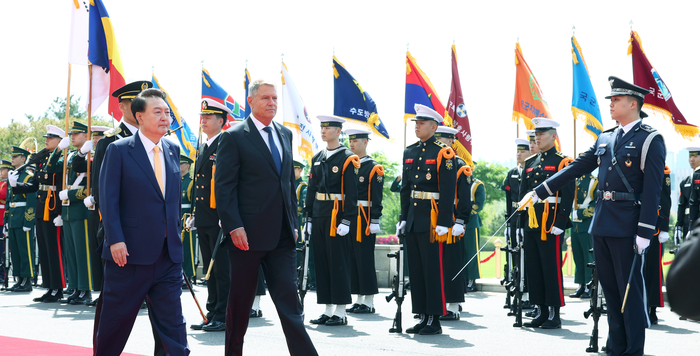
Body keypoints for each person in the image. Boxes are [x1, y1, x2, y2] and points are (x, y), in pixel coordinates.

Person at [523, 77, 665, 355]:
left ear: (633, 103)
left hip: (629, 225)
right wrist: (541, 190)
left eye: (616, 100)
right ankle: (616, 345)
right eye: (611, 100)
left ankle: (633, 349)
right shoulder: (605, 137)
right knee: (610, 291)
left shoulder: (650, 139)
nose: (611, 104)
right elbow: (576, 167)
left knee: (630, 292)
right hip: (602, 222)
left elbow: (653, 190)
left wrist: (645, 231)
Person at [215, 79, 317, 356]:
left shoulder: (285, 134)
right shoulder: (234, 136)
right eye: (265, 98)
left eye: (274, 99)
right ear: (250, 101)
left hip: (282, 235)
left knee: (290, 304)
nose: (272, 103)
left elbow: (286, 185)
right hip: (246, 237)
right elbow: (224, 188)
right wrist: (234, 226)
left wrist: (293, 224)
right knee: (240, 303)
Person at [95, 88, 189, 356]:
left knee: (173, 326)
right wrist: (115, 239)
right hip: (129, 255)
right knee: (115, 325)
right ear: (139, 116)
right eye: (157, 112)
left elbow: (169, 202)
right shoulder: (119, 150)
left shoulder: (172, 149)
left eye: (167, 112)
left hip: (167, 255)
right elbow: (107, 199)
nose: (164, 117)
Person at [88, 80, 165, 356]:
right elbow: (104, 196)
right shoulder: (111, 142)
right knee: (114, 312)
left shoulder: (163, 143)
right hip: (123, 241)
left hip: (159, 243)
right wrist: (116, 237)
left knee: (165, 317)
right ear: (123, 106)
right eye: (135, 101)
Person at [397, 104, 456, 335]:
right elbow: (405, 188)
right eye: (415, 123)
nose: (417, 127)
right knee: (417, 270)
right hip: (413, 218)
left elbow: (449, 190)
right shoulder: (409, 152)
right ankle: (422, 315)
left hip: (432, 220)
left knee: (432, 269)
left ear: (433, 127)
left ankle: (434, 318)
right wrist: (403, 217)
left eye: (421, 124)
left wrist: (444, 222)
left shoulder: (444, 152)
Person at [518, 118, 575, 330]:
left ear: (554, 136)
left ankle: (553, 312)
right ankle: (540, 310)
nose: (538, 137)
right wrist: (520, 225)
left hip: (551, 223)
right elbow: (523, 195)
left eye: (542, 134)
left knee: (550, 268)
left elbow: (568, 194)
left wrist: (561, 220)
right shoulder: (530, 163)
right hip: (532, 222)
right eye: (536, 134)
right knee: (534, 267)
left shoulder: (563, 162)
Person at [304, 115, 359, 326]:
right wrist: (308, 216)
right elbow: (312, 189)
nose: (323, 131)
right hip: (319, 212)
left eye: (328, 128)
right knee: (322, 263)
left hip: (337, 215)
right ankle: (327, 309)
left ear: (338, 131)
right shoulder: (318, 156)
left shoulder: (347, 157)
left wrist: (347, 220)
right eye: (322, 128)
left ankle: (341, 310)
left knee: (338, 262)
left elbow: (352, 193)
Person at [186, 98, 231, 332]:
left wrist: (227, 214)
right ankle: (211, 312)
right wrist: (195, 212)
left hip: (219, 218)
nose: (202, 120)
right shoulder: (204, 146)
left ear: (221, 121)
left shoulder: (226, 143)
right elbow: (200, 182)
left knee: (221, 269)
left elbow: (229, 183)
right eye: (202, 117)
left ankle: (223, 315)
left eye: (208, 117)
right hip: (204, 217)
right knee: (209, 271)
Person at [11, 125, 66, 302]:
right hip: (42, 208)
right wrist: (16, 185)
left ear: (59, 141)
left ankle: (58, 288)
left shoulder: (59, 159)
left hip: (53, 208)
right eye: (46, 137)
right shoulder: (43, 160)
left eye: (51, 138)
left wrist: (59, 212)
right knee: (44, 250)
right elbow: (34, 185)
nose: (46, 140)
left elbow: (55, 177)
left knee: (54, 249)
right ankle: (49, 287)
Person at [345, 129, 384, 315]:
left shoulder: (373, 167)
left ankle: (368, 300)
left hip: (365, 217)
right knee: (352, 258)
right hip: (350, 216)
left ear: (365, 142)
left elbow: (377, 196)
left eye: (356, 141)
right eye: (350, 141)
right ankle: (359, 298)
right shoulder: (349, 164)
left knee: (364, 258)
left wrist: (375, 218)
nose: (351, 144)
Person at [433, 126, 470, 321]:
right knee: (436, 265)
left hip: (453, 221)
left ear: (451, 142)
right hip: (434, 220)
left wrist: (461, 220)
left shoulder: (459, 164)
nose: (438, 142)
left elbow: (464, 198)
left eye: (442, 139)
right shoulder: (434, 161)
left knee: (452, 264)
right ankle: (436, 305)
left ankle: (454, 305)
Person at [55, 121, 93, 305]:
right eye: (72, 134)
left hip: (80, 209)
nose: (73, 137)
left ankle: (85, 289)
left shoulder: (90, 157)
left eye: (77, 134)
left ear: (86, 135)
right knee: (71, 252)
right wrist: (56, 151)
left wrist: (69, 194)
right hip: (68, 209)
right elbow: (51, 169)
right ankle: (76, 287)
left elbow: (90, 188)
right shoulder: (69, 156)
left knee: (82, 251)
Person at [4, 146, 37, 292]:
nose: (12, 158)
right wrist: (6, 220)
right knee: (15, 251)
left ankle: (27, 280)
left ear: (23, 159)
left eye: (16, 156)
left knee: (25, 250)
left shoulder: (28, 177)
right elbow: (8, 201)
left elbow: (30, 200)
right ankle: (19, 279)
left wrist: (28, 221)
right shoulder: (13, 175)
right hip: (13, 219)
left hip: (23, 218)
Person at [645, 166, 671, 324]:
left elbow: (665, 199)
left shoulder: (662, 169)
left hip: (655, 226)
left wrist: (665, 227)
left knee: (653, 269)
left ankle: (652, 308)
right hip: (633, 224)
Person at [569, 171, 598, 299]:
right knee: (578, 255)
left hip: (586, 223)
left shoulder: (594, 181)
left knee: (588, 256)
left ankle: (589, 285)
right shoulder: (574, 179)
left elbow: (596, 203)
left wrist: (581, 213)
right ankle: (581, 284)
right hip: (574, 224)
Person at [463, 164, 485, 292]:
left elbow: (479, 204)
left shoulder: (477, 184)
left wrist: (464, 213)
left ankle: (472, 280)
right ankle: (463, 279)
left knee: (471, 253)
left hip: (471, 223)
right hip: (456, 223)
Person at [294, 159, 315, 290]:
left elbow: (304, 206)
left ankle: (302, 277)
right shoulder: (288, 184)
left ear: (300, 170)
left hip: (299, 221)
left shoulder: (303, 186)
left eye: (294, 169)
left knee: (299, 250)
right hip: (289, 221)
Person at [675, 147, 699, 242]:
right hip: (687, 223)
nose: (692, 159)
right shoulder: (685, 182)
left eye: (695, 156)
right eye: (690, 156)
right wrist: (678, 226)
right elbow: (681, 205)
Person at [180, 154, 197, 283]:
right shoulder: (172, 179)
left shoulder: (191, 181)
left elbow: (194, 202)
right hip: (174, 218)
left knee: (187, 248)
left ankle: (188, 276)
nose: (179, 166)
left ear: (188, 166)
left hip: (186, 219)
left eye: (181, 164)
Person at [0, 160, 10, 284]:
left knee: (2, 248)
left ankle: (3, 274)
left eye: (3, 170)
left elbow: (3, 195)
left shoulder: (8, 183)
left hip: (2, 219)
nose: (1, 172)